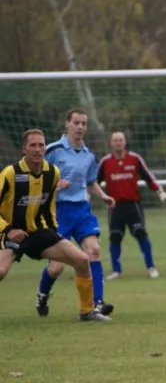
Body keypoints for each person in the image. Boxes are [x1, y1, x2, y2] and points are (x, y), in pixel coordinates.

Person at [0, 129, 110, 321]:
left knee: (82, 259)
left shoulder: (52, 173)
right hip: (8, 232)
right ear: (24, 149)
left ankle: (87, 311)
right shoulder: (11, 173)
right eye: (33, 145)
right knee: (1, 271)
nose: (38, 149)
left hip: (36, 232)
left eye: (41, 145)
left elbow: (48, 208)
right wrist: (8, 230)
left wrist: (54, 235)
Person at [35, 108, 116, 317]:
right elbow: (37, 179)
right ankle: (42, 295)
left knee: (94, 251)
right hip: (57, 212)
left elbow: (89, 182)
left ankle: (96, 304)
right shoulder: (53, 150)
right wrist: (55, 185)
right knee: (57, 268)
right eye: (77, 123)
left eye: (84, 123)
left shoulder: (88, 155)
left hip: (81, 210)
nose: (80, 127)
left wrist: (103, 195)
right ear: (67, 124)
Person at [97, 132, 166, 279]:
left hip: (132, 205)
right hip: (115, 206)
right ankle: (116, 270)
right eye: (115, 140)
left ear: (125, 142)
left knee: (140, 234)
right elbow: (93, 181)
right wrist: (87, 195)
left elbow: (148, 177)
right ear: (111, 143)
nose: (118, 143)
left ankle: (151, 267)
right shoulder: (105, 162)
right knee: (115, 236)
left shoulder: (135, 159)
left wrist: (160, 191)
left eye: (120, 140)